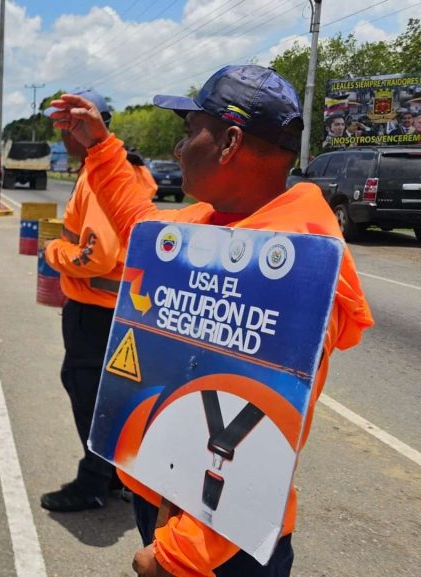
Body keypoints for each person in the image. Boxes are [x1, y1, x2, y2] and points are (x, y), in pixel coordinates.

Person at [49, 64, 373, 576]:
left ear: (229, 142)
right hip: (170, 499)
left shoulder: (296, 265)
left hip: (218, 544)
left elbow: (256, 434)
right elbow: (141, 225)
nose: (179, 150)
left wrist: (179, 554)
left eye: (187, 131)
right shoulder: (217, 223)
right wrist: (100, 146)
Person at [39, 89, 160, 512]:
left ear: (87, 127)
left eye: (66, 127)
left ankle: (94, 481)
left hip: (93, 311)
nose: (62, 137)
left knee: (86, 391)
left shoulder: (98, 175)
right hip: (122, 309)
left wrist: (53, 251)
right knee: (110, 395)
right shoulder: (127, 170)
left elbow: (96, 255)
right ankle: (112, 473)